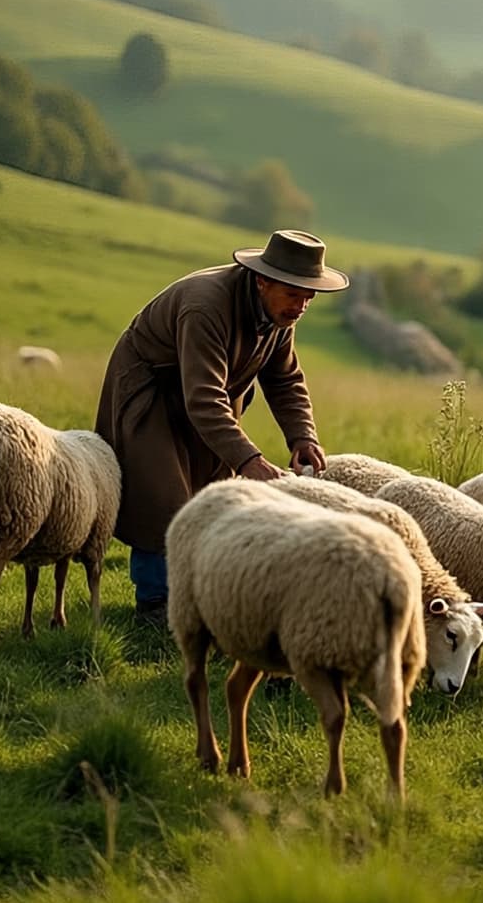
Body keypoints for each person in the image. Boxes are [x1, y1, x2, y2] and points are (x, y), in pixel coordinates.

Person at [95, 229, 350, 625]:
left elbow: (284, 379)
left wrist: (303, 436)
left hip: (206, 397)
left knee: (210, 494)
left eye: (308, 297)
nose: (302, 306)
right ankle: (155, 603)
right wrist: (249, 459)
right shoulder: (205, 306)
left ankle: (198, 594)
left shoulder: (280, 312)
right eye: (294, 295)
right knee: (164, 497)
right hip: (155, 393)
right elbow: (203, 397)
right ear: (263, 280)